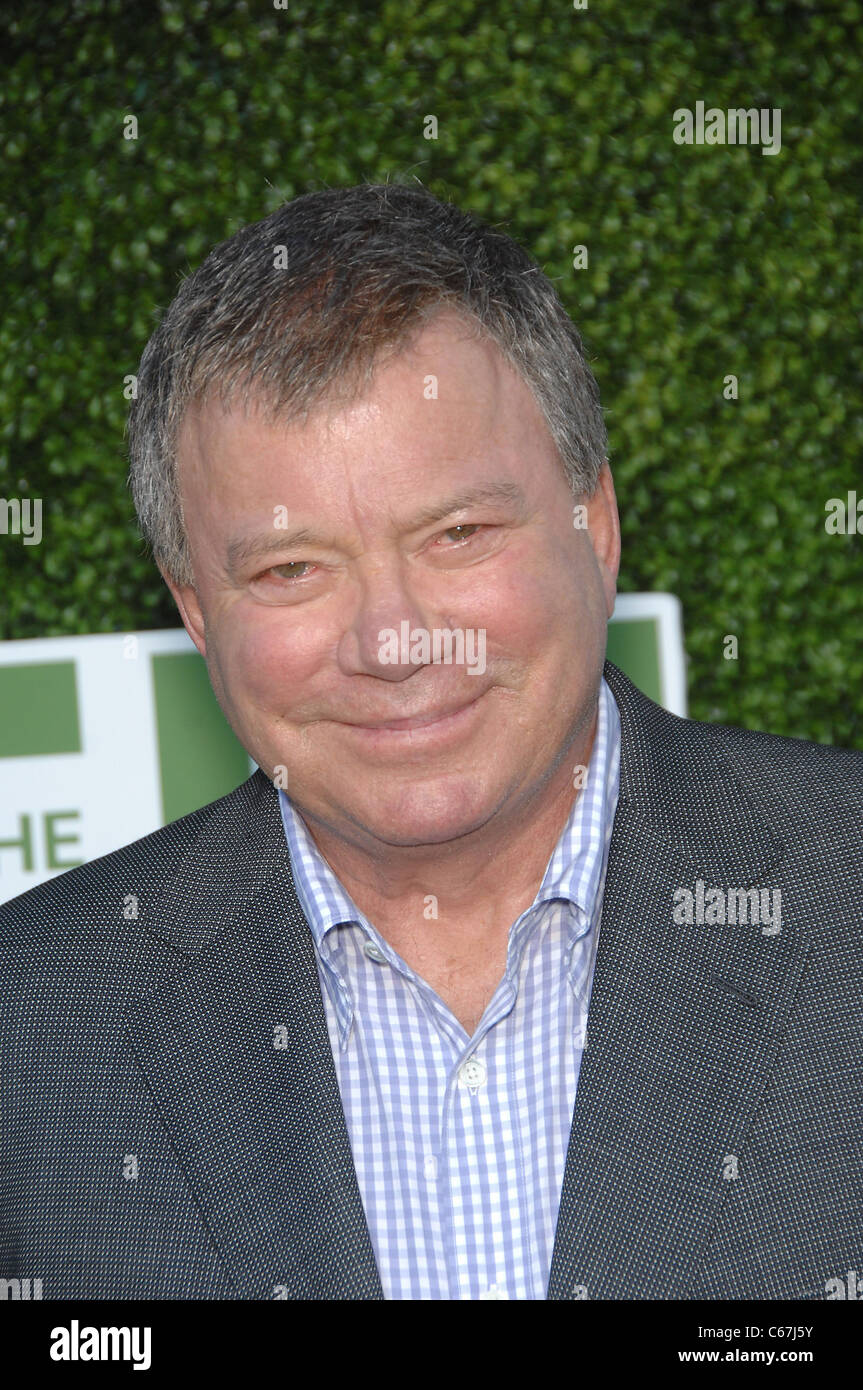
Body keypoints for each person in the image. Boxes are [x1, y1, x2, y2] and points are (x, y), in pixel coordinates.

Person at [1, 182, 861, 1301]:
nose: (392, 638)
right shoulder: (33, 1027)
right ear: (197, 611)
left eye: (457, 533)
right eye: (290, 569)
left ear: (591, 526)